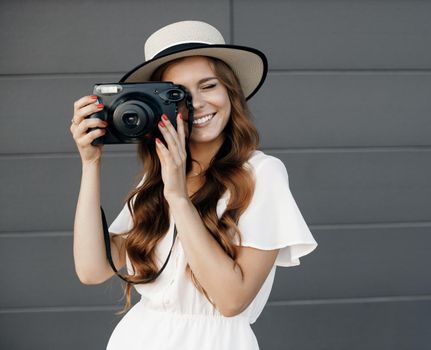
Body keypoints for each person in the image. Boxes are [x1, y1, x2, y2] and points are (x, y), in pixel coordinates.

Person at [70, 20, 317, 350]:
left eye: (209, 85)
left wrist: (178, 198)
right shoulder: (157, 179)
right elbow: (91, 270)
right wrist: (90, 164)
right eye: (179, 94)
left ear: (230, 91)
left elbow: (231, 300)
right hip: (137, 338)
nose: (197, 103)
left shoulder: (262, 174)